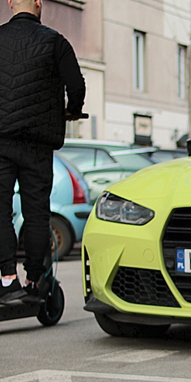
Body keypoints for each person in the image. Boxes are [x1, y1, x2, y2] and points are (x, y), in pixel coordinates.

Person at [0, 0, 85, 303]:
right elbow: (76, 85)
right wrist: (72, 111)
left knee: (1, 211)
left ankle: (7, 279)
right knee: (36, 214)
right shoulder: (55, 41)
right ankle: (35, 280)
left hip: (1, 142)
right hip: (38, 143)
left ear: (10, 3)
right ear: (38, 4)